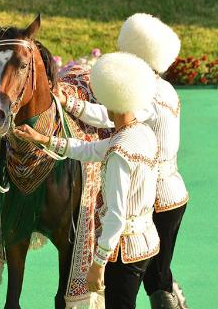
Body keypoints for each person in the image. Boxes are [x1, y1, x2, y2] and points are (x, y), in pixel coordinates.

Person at [56, 13, 189, 309]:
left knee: (152, 281)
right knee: (158, 275)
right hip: (173, 190)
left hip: (154, 198)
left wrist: (70, 103)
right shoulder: (163, 87)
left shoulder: (148, 94)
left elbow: (112, 116)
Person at [15, 52, 159, 309]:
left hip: (123, 251)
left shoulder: (118, 152)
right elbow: (88, 149)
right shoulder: (141, 133)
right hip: (145, 243)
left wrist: (98, 264)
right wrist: (43, 140)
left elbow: (116, 215)